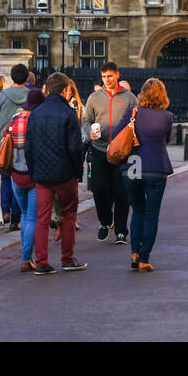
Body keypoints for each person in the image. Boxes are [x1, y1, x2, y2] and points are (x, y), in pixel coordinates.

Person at [25, 72, 87, 274]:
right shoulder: (68, 113)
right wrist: (77, 172)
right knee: (69, 214)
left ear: (46, 90)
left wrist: (34, 171)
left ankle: (41, 262)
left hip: (42, 174)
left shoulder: (35, 113)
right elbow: (75, 148)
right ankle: (67, 258)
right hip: (65, 173)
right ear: (65, 90)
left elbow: (28, 147)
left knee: (42, 218)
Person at [115, 78, 174, 272]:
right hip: (156, 168)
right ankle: (144, 258)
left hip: (133, 167)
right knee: (152, 214)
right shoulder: (167, 116)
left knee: (138, 210)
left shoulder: (133, 112)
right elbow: (166, 140)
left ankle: (134, 251)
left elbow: (118, 134)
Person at [81, 62, 137, 245]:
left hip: (121, 151)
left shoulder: (129, 97)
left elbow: (136, 120)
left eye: (110, 76)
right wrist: (90, 131)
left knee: (122, 193)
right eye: (104, 77)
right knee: (99, 190)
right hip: (99, 149)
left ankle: (121, 231)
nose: (107, 80)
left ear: (117, 75)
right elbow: (86, 120)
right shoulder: (94, 98)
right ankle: (105, 222)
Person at [6, 87, 45, 272]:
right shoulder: (38, 121)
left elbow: (5, 139)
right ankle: (25, 258)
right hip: (34, 174)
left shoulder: (15, 118)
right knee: (32, 218)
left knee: (24, 215)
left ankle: (26, 255)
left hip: (15, 173)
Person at [0, 64, 31, 230]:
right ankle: (16, 217)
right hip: (25, 144)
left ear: (12, 77)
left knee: (6, 177)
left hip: (4, 142)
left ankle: (5, 209)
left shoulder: (1, 96)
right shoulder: (31, 96)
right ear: (27, 78)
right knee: (19, 179)